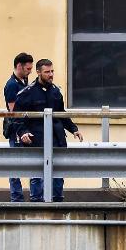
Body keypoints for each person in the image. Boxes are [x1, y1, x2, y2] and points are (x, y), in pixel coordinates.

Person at [14, 58, 83, 202]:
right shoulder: (27, 93)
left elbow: (62, 114)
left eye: (52, 71)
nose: (51, 74)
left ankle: (57, 201)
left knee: (58, 173)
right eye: (47, 72)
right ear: (38, 72)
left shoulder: (56, 91)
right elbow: (18, 118)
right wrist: (23, 132)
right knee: (37, 174)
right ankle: (37, 203)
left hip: (56, 139)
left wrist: (73, 129)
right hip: (37, 139)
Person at [3, 52, 33, 202]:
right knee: (15, 164)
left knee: (31, 163)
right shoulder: (12, 85)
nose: (30, 72)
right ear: (19, 66)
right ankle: (17, 198)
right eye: (28, 69)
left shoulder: (24, 81)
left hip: (25, 127)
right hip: (16, 128)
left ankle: (32, 196)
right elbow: (14, 111)